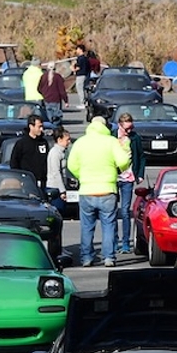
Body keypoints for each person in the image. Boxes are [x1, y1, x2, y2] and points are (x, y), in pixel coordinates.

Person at [67, 115, 131, 267]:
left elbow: (71, 165)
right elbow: (123, 160)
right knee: (109, 225)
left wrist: (81, 176)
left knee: (86, 227)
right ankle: (109, 257)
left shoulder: (81, 142)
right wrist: (119, 170)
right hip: (107, 189)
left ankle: (86, 258)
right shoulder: (111, 142)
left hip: (86, 190)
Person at [114, 113, 145, 255]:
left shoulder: (135, 138)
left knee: (126, 211)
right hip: (113, 178)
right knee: (112, 211)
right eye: (126, 129)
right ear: (120, 125)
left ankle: (125, 243)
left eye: (130, 128)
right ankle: (114, 242)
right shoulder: (111, 136)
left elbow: (141, 156)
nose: (129, 131)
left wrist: (140, 174)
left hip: (128, 178)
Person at [8, 114, 49, 187]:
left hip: (42, 182)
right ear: (31, 126)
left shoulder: (44, 142)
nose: (41, 129)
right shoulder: (21, 143)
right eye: (39, 127)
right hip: (26, 182)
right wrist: (19, 179)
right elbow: (14, 163)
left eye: (42, 127)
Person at [46, 126, 72, 214]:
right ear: (59, 140)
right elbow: (56, 172)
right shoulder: (55, 153)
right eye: (67, 140)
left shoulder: (63, 152)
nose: (69, 142)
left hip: (61, 187)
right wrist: (62, 191)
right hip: (55, 188)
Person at [73, 44, 91, 109]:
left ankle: (82, 103)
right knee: (83, 89)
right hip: (85, 75)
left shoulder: (80, 58)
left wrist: (72, 68)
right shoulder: (86, 58)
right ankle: (85, 102)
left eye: (77, 49)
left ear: (80, 50)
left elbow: (78, 67)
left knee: (79, 88)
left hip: (80, 75)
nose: (76, 51)